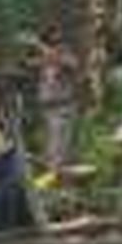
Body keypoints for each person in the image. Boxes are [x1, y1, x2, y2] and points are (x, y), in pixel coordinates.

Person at [37, 29, 78, 175]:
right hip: (51, 105)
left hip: (66, 102)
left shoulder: (64, 54)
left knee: (65, 140)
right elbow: (29, 63)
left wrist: (55, 56)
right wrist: (44, 56)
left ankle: (62, 171)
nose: (57, 43)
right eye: (53, 41)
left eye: (58, 41)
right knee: (53, 139)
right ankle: (52, 171)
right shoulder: (42, 57)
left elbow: (73, 64)